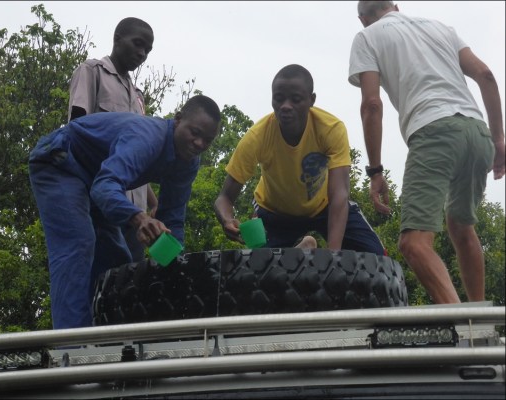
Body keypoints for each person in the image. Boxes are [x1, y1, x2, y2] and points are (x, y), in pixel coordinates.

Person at [348, 1, 505, 303]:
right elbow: (485, 74)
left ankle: (465, 323)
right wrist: (498, 139)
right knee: (462, 227)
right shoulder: (441, 28)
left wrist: (376, 171)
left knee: (414, 244)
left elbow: (371, 105)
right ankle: (481, 321)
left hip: (434, 131)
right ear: (396, 6)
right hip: (476, 132)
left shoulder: (367, 37)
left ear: (362, 19)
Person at [29, 95, 221, 329]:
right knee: (79, 243)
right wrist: (139, 218)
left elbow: (173, 219)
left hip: (95, 180)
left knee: (117, 260)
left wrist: (175, 269)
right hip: (61, 162)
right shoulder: (147, 137)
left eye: (207, 140)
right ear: (178, 119)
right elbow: (105, 186)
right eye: (195, 133)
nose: (199, 144)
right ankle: (71, 344)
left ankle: (107, 338)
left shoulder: (188, 163)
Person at [214, 64, 385, 255]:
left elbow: (339, 195)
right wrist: (226, 219)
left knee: (375, 257)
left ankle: (302, 251)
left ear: (311, 100)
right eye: (279, 99)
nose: (286, 106)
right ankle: (300, 248)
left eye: (295, 99)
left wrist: (333, 256)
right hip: (274, 212)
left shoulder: (331, 129)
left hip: (324, 207)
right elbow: (225, 198)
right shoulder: (257, 136)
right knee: (265, 267)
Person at [68, 17, 158, 262]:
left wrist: (153, 203)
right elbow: (76, 132)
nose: (142, 54)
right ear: (117, 39)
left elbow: (134, 158)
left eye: (148, 50)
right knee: (100, 274)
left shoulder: (138, 97)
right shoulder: (92, 72)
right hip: (101, 201)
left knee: (131, 276)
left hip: (134, 212)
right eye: (138, 44)